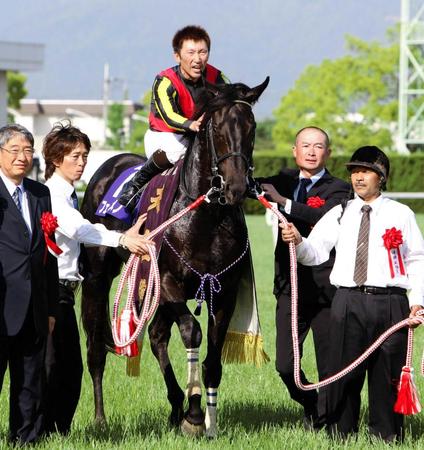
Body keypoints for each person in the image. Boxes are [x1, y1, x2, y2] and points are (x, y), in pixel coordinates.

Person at [281, 146, 424, 441]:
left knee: (387, 376)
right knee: (343, 373)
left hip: (391, 303)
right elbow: (315, 251)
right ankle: (340, 435)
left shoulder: (402, 213)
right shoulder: (340, 211)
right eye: (354, 172)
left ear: (381, 177)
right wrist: (298, 242)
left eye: (366, 171)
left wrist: (418, 301)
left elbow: (417, 259)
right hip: (346, 301)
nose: (358, 177)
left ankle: (386, 437)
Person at [42, 122, 153, 435]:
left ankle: (55, 433)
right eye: (74, 156)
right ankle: (37, 433)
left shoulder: (69, 194)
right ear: (55, 159)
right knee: (52, 369)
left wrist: (122, 236)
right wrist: (121, 241)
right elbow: (79, 229)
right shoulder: (53, 194)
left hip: (65, 291)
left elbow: (84, 231)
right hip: (53, 292)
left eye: (84, 156)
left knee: (67, 370)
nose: (81, 163)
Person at [258, 126, 350, 429]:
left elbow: (321, 216)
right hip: (288, 287)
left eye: (319, 146)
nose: (312, 151)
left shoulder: (340, 189)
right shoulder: (282, 179)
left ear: (329, 153)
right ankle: (310, 403)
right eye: (306, 145)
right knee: (285, 365)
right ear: (295, 151)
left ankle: (327, 420)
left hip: (326, 291)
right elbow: (243, 184)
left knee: (328, 363)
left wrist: (282, 202)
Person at [118, 25, 227, 211]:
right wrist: (191, 125)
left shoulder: (216, 76)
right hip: (165, 136)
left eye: (203, 52)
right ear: (177, 56)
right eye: (191, 52)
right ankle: (135, 185)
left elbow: (229, 101)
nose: (197, 59)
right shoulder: (165, 80)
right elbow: (168, 116)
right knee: (178, 149)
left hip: (198, 135)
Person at [0, 124, 59, 444]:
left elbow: (47, 253)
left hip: (34, 305)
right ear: (0, 154)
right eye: (15, 150)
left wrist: (50, 308)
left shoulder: (40, 193)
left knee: (29, 380)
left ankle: (25, 438)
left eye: (27, 150)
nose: (22, 157)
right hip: (2, 302)